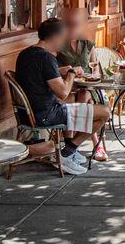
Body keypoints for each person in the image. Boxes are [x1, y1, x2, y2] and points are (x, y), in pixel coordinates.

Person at [15, 17, 109, 173]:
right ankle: (68, 152)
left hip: (28, 112)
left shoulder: (26, 54)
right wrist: (71, 73)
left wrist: (59, 71)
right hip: (47, 114)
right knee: (104, 113)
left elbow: (38, 75)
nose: (64, 42)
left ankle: (68, 148)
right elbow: (63, 93)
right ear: (55, 37)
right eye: (63, 38)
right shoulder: (47, 58)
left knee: (82, 98)